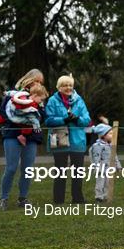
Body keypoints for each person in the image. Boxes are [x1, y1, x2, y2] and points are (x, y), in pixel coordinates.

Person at [0, 69, 46, 210]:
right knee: (11, 168)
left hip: (31, 138)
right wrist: (21, 115)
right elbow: (3, 113)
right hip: (12, 135)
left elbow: (42, 116)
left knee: (27, 169)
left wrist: (35, 109)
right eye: (36, 80)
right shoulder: (13, 95)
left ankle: (23, 198)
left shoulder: (38, 97)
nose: (38, 84)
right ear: (28, 80)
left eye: (41, 82)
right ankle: (3, 199)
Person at [45, 74, 91, 204]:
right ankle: (58, 200)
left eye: (70, 85)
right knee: (60, 171)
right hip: (59, 139)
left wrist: (77, 118)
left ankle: (78, 198)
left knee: (78, 172)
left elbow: (87, 120)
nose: (68, 88)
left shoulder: (79, 100)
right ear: (59, 87)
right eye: (65, 85)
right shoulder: (52, 101)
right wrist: (63, 120)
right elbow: (48, 120)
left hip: (77, 140)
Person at [90, 123, 121, 203]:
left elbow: (114, 156)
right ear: (103, 135)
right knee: (100, 182)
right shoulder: (97, 145)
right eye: (110, 133)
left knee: (108, 182)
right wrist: (96, 167)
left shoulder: (111, 145)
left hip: (109, 168)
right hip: (101, 168)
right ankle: (99, 197)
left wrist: (118, 165)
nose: (112, 135)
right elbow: (96, 157)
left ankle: (106, 195)